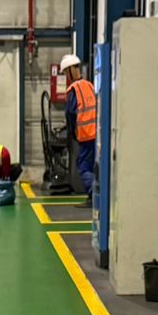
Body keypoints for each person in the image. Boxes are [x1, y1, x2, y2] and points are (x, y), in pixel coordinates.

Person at [60, 54, 97, 204]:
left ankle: (95, 195)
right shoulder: (90, 85)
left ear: (69, 71)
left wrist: (71, 133)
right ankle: (95, 194)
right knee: (93, 166)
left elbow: (71, 113)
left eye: (65, 73)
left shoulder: (73, 90)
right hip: (97, 134)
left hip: (85, 135)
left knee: (82, 167)